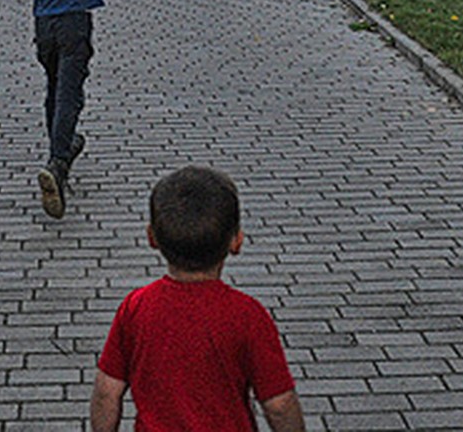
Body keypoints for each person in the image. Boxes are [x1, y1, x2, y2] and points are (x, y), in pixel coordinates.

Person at [90, 166, 305, 432]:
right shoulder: (248, 316)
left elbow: (106, 392)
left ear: (152, 238)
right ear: (236, 241)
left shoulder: (136, 307)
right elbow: (279, 405)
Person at [15, 0, 120, 219]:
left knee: (54, 85)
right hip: (76, 21)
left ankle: (62, 149)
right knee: (70, 93)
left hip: (45, 23)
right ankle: (58, 163)